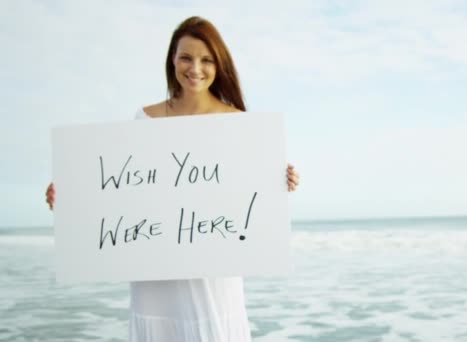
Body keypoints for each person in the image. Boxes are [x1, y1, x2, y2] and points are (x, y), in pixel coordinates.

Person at [45, 16, 300, 342]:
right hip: (156, 268)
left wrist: (280, 182)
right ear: (172, 59)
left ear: (218, 65)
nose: (195, 68)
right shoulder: (145, 118)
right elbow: (123, 190)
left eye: (206, 59)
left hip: (214, 266)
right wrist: (69, 198)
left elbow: (247, 198)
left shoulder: (238, 122)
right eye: (186, 57)